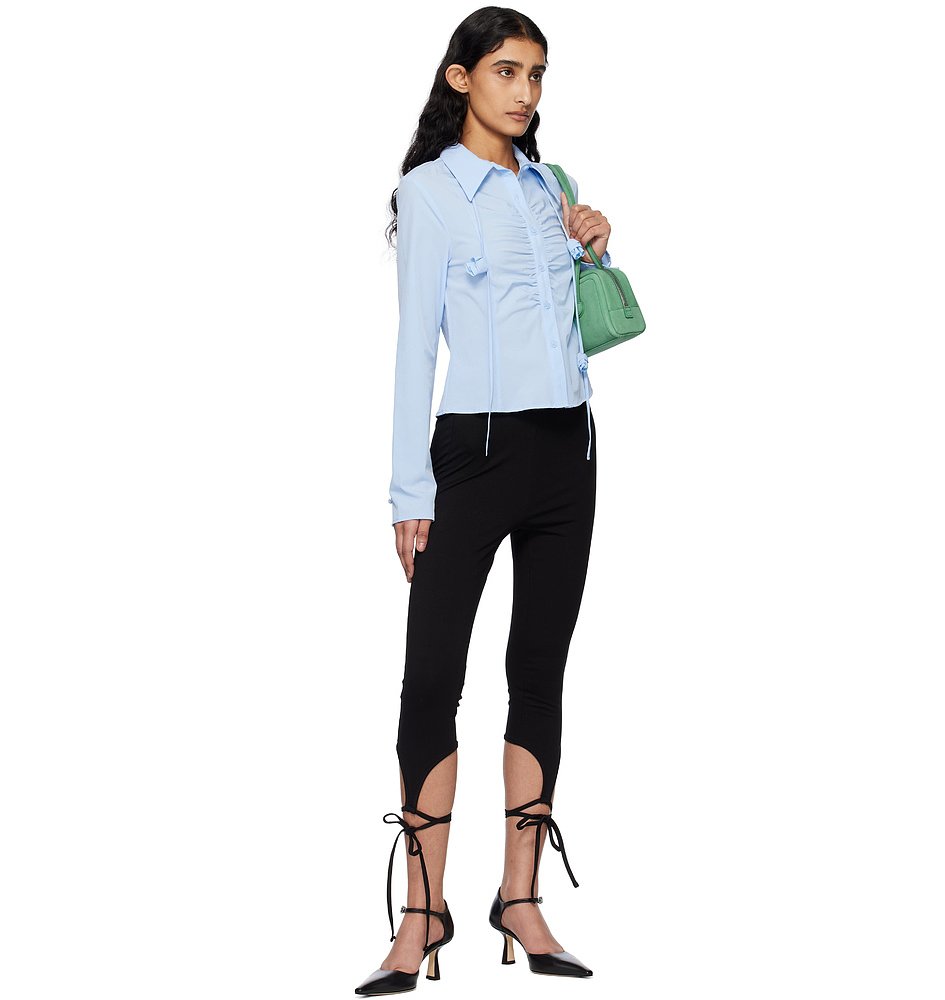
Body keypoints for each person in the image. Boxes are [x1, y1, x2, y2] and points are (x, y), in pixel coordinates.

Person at [356, 8, 615, 995]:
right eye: (507, 70)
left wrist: (590, 246)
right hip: (473, 452)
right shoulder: (429, 191)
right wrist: (406, 489)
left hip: (567, 450)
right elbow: (412, 344)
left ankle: (520, 897)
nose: (525, 91)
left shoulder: (550, 186)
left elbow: (574, 326)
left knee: (537, 674)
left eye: (537, 74)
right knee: (431, 679)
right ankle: (422, 913)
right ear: (461, 77)